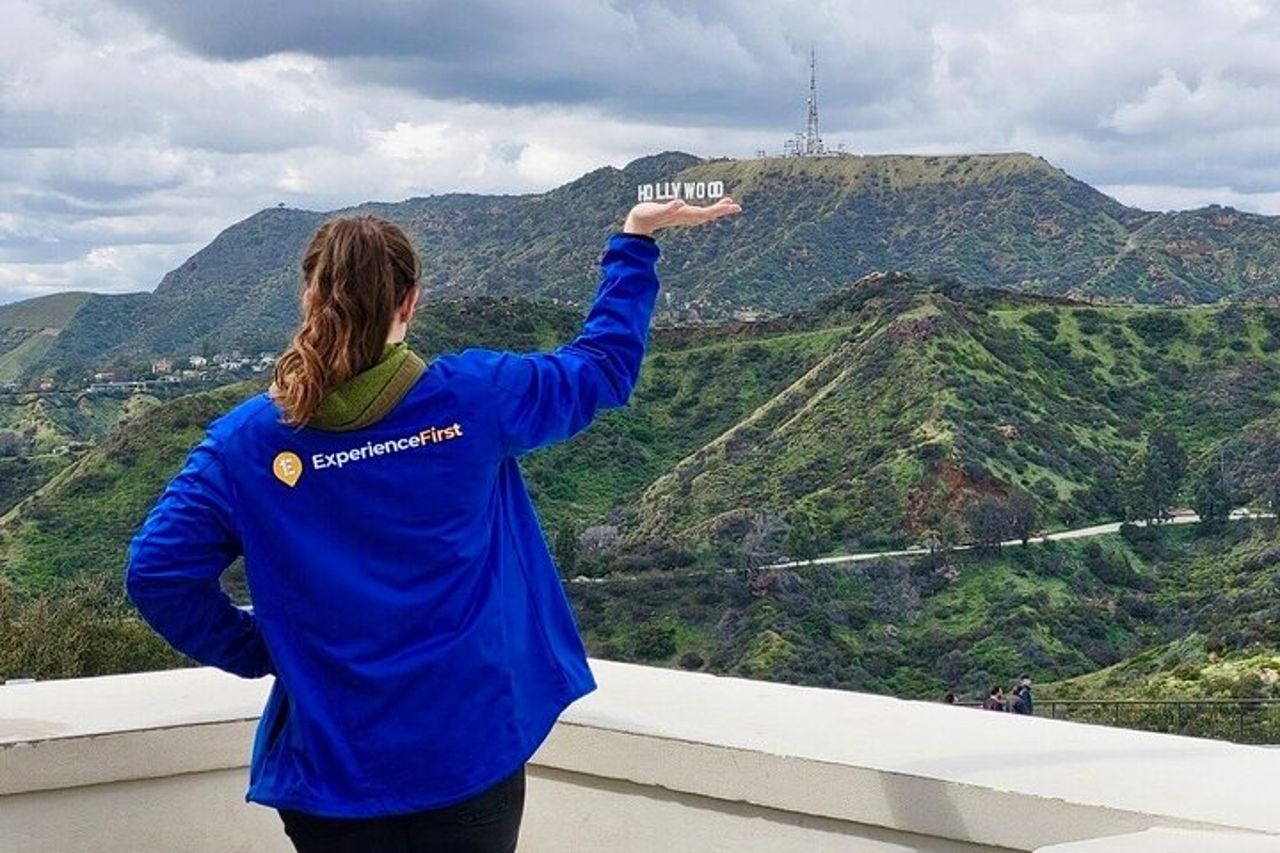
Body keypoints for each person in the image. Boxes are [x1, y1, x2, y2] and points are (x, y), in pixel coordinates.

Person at [124, 196, 741, 853]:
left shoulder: (245, 444)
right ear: (409, 301)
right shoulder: (474, 399)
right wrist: (635, 240)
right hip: (468, 757)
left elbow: (157, 573)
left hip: (334, 774)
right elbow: (602, 370)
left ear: (309, 297)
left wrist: (266, 648)